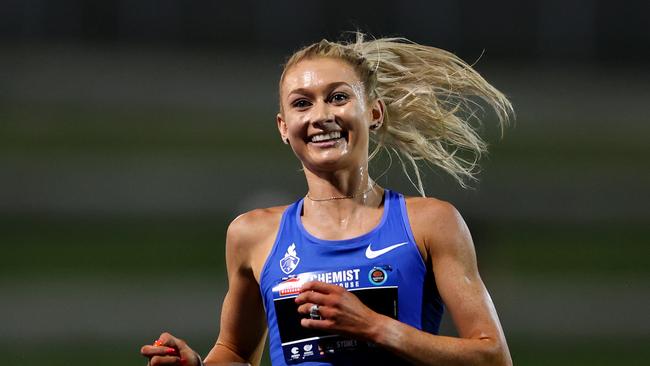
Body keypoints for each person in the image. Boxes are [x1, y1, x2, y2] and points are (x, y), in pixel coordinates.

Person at [141, 33, 514, 366]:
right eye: (302, 103)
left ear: (373, 112)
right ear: (284, 128)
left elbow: (493, 356)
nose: (321, 116)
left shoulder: (430, 223)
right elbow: (236, 353)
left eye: (337, 97)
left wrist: (374, 326)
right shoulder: (252, 235)